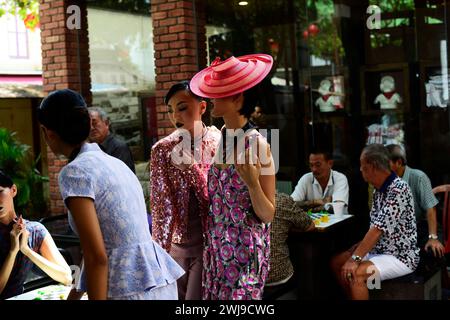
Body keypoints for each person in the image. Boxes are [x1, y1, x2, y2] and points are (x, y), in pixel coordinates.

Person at [37, 89, 184, 300]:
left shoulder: (74, 172)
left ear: (48, 133)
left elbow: (97, 256)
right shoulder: (114, 163)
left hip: (130, 290)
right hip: (158, 283)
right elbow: (99, 247)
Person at [190, 53, 276, 300]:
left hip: (244, 252)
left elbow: (268, 214)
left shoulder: (258, 145)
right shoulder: (224, 135)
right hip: (217, 251)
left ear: (238, 98)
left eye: (219, 92)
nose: (211, 96)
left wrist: (252, 185)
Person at [150, 81, 221, 300]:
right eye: (170, 110)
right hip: (174, 248)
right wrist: (157, 256)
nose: (175, 116)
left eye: (182, 108)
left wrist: (191, 169)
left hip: (208, 243)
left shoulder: (218, 142)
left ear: (202, 107)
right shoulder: (162, 149)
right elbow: (160, 208)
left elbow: (216, 203)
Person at [330, 144, 419, 300]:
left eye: (362, 166)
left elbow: (377, 230)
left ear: (372, 167)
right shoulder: (379, 190)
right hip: (379, 251)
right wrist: (358, 248)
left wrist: (355, 259)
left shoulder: (399, 189)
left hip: (400, 256)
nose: (360, 170)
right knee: (338, 263)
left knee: (356, 273)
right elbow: (375, 227)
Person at [0, 170, 72, 299]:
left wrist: (26, 250)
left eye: (0, 192)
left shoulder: (34, 231)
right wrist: (12, 251)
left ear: (13, 190)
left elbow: (66, 277)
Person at [386, 144, 444, 257]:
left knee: (431, 251)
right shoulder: (386, 181)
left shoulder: (418, 177)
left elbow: (430, 209)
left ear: (398, 162)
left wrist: (433, 238)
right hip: (401, 231)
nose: (382, 167)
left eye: (385, 163)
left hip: (424, 228)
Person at [266, 192, 315, 287]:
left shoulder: (234, 204)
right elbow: (310, 226)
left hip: (241, 278)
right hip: (278, 275)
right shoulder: (282, 200)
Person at [88, 107, 136, 173]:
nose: (91, 128)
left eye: (94, 123)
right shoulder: (89, 148)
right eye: (88, 125)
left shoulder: (119, 148)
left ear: (106, 123)